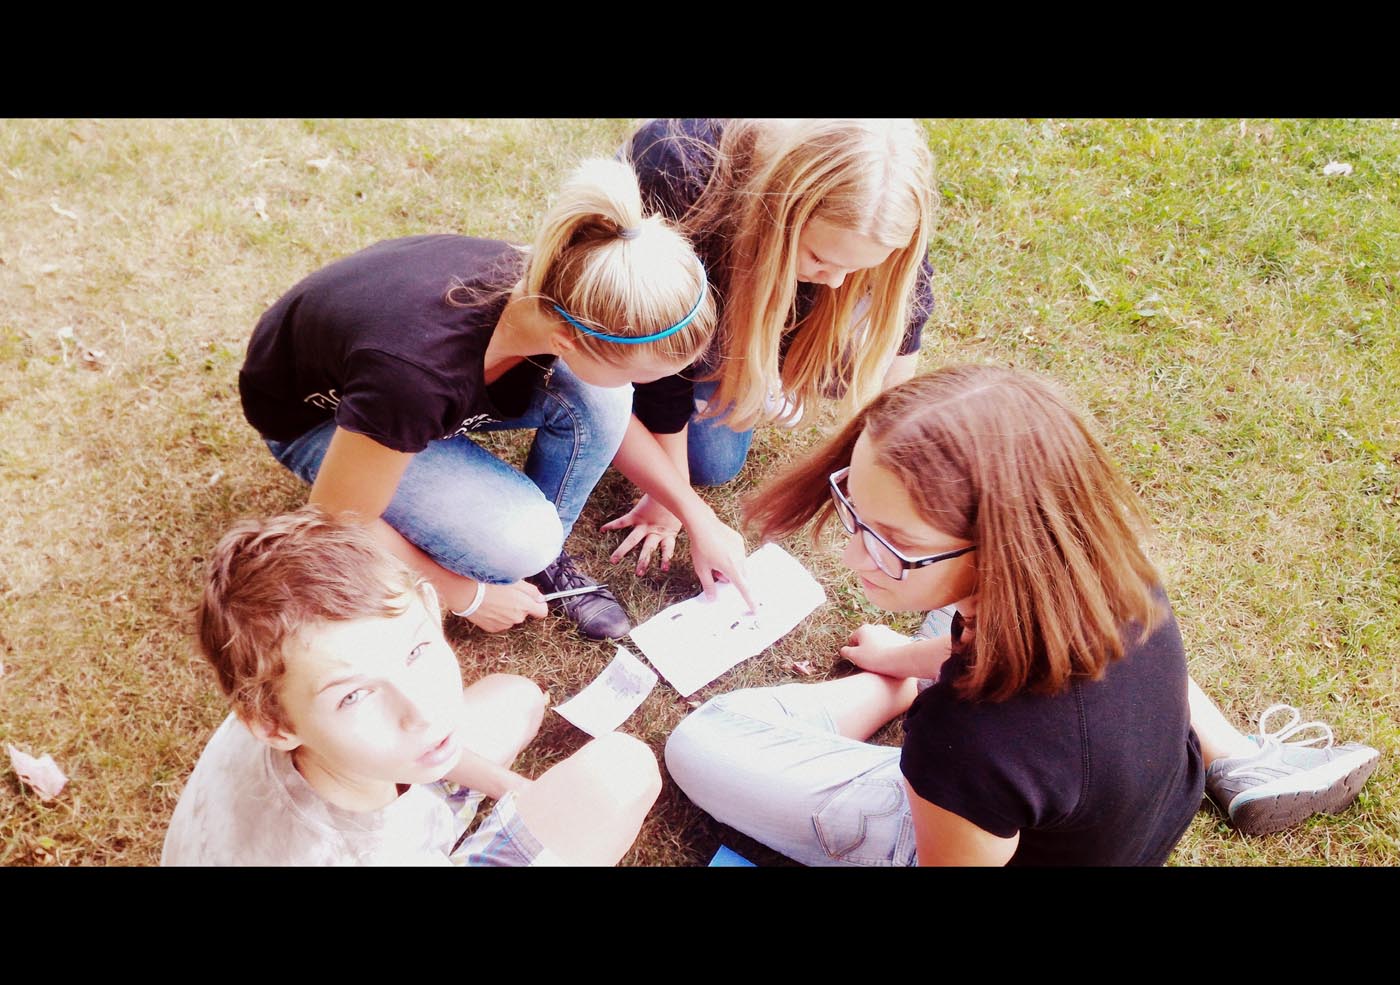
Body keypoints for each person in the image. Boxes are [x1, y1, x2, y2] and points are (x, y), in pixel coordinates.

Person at [664, 367, 1378, 865]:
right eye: (855, 503)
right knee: (932, 643)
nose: (853, 553)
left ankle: (891, 692)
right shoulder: (1108, 573)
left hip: (987, 828)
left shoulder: (969, 737)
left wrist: (930, 727)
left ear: (1003, 545)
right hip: (1127, 810)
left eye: (894, 541)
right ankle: (897, 679)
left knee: (704, 738)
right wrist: (903, 658)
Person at [238, 158, 715, 641]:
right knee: (524, 540)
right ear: (568, 343)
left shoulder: (563, 284)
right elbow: (335, 522)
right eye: (641, 376)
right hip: (316, 419)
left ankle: (539, 562)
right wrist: (464, 594)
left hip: (389, 386)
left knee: (604, 398)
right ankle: (527, 555)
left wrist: (696, 515)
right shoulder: (416, 377)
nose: (645, 388)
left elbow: (607, 414)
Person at [162, 507, 662, 866]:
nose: (422, 711)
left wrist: (511, 789)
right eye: (354, 696)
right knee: (619, 776)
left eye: (416, 651)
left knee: (516, 698)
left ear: (428, 606)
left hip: (365, 801)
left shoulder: (283, 675)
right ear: (273, 726)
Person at [601, 119, 935, 608]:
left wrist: (888, 454)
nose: (837, 283)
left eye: (860, 267)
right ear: (779, 211)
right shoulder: (680, 173)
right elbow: (663, 357)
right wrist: (676, 502)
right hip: (635, 302)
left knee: (714, 461)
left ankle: (746, 358)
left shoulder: (884, 200)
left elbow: (905, 325)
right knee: (703, 460)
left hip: (740, 285)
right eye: (820, 257)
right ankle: (722, 363)